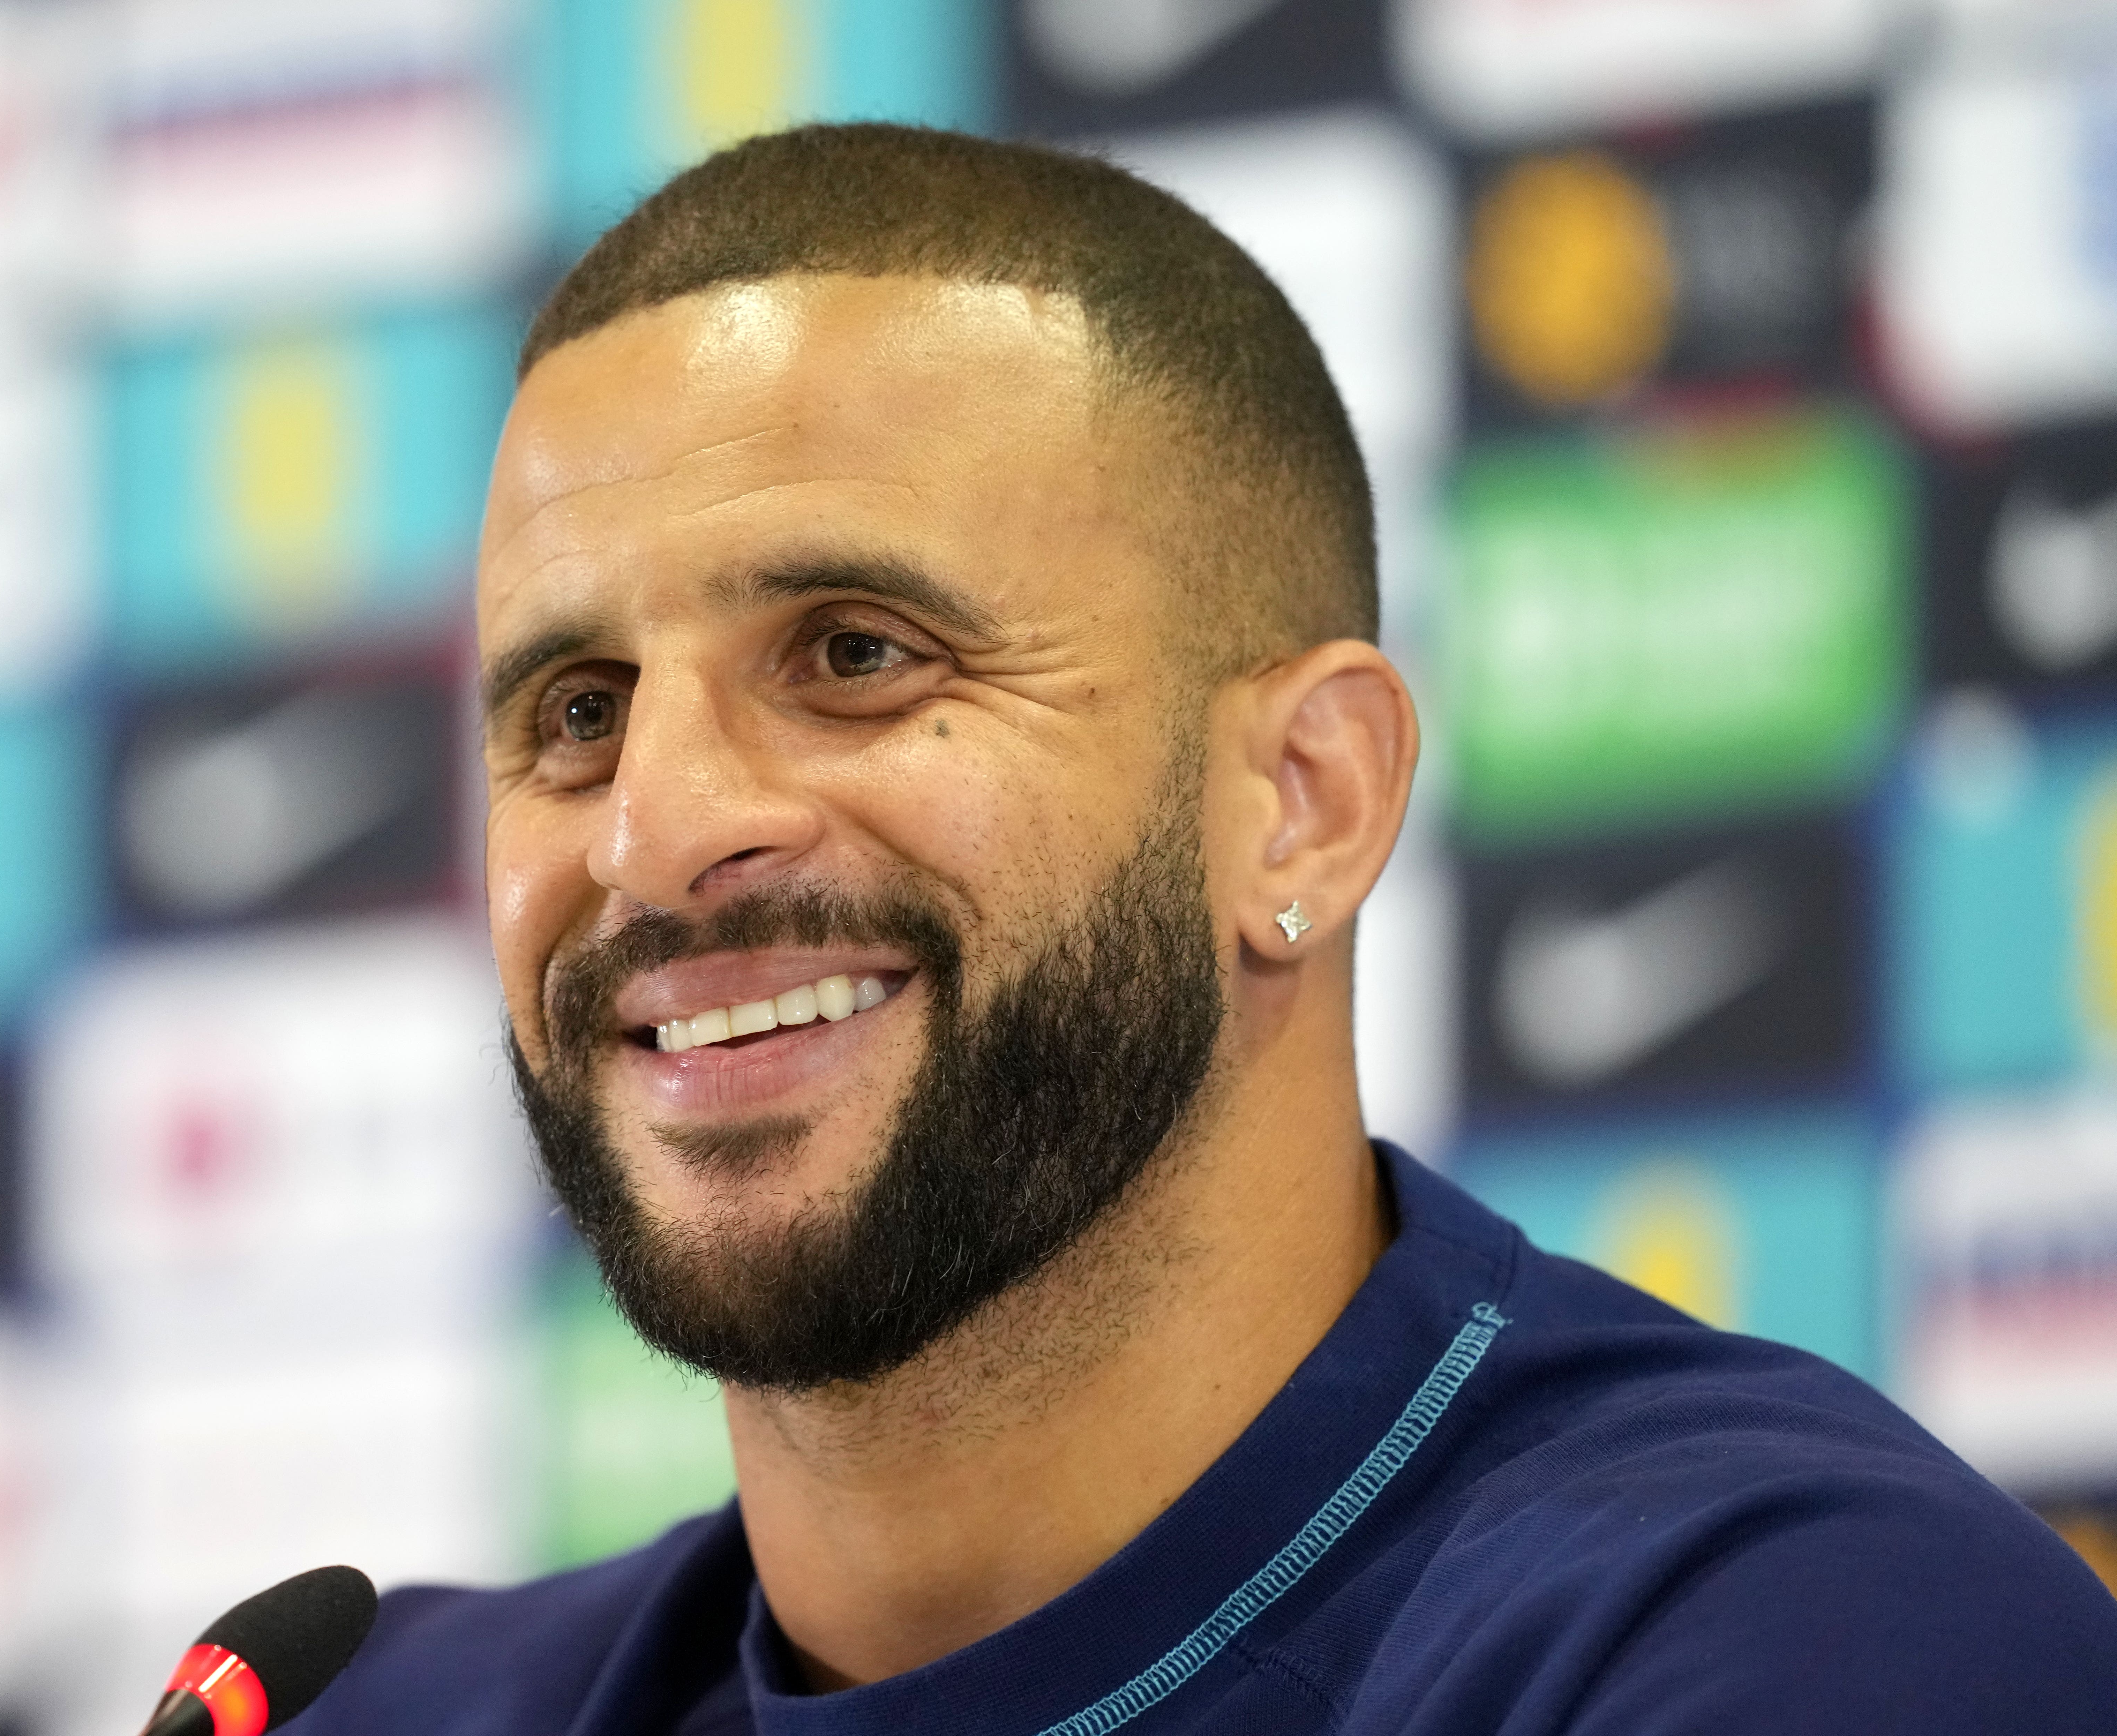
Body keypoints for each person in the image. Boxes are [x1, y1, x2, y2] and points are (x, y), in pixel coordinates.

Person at [291, 124, 2117, 1733]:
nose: (659, 828)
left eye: (856, 655)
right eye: (577, 709)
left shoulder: (1802, 1650)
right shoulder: (364, 1713)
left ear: (1303, 798)